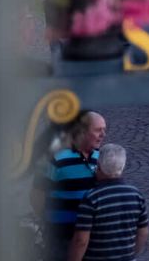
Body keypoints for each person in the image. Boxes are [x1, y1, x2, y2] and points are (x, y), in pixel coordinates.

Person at [34, 111, 104, 259]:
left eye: (104, 130)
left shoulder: (100, 157)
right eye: (98, 130)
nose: (103, 134)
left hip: (92, 238)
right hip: (60, 238)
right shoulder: (55, 159)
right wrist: (49, 221)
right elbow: (36, 195)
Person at [67, 145, 148, 261]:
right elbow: (143, 233)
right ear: (122, 166)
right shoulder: (136, 194)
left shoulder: (92, 198)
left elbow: (81, 241)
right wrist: (131, 254)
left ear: (99, 167)